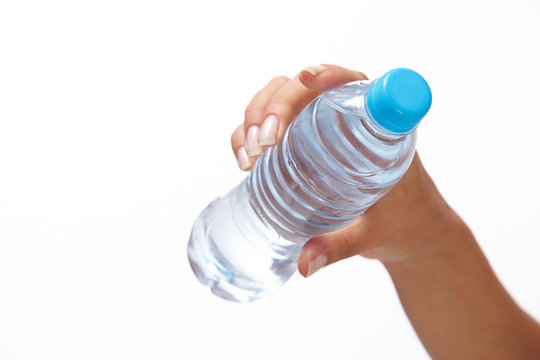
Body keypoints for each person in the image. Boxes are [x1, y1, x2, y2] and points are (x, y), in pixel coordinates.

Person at [229, 64, 540, 359]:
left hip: (261, 257)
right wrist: (426, 235)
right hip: (242, 229)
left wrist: (424, 237)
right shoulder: (344, 110)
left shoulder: (391, 155)